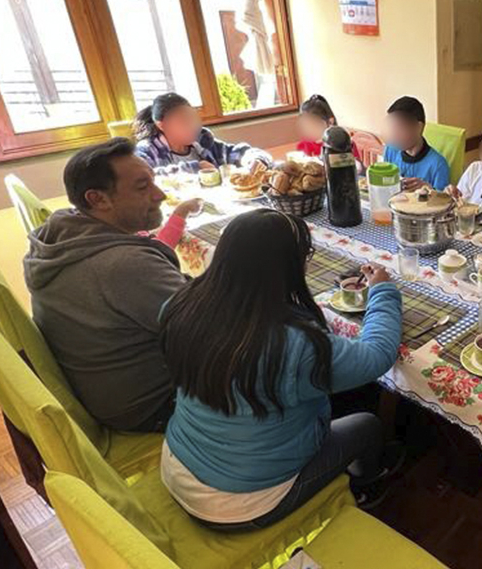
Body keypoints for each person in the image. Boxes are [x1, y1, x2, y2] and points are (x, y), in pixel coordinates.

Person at [159, 210, 401, 527]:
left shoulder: (180, 305)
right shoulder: (292, 343)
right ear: (288, 266)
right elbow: (377, 355)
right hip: (245, 504)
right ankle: (367, 485)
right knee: (367, 425)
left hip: (178, 466)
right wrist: (382, 290)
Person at [25, 138, 201, 432]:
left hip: (108, 394)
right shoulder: (123, 265)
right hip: (154, 404)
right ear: (98, 200)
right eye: (142, 187)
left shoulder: (64, 232)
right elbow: (214, 327)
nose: (159, 195)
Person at [133, 92, 272, 173]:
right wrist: (194, 168)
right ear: (161, 125)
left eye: (193, 118)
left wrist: (255, 160)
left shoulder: (202, 141)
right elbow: (144, 179)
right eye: (183, 121)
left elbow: (238, 152)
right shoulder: (148, 150)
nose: (192, 126)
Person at [382, 96, 451, 191]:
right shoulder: (390, 150)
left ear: (418, 127)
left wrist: (429, 189)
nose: (394, 135)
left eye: (400, 128)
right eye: (393, 129)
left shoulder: (438, 164)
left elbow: (444, 200)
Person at [295, 94, 365, 162]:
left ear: (330, 122)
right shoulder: (303, 146)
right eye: (306, 126)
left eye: (314, 126)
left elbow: (355, 167)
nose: (309, 130)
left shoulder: (344, 144)